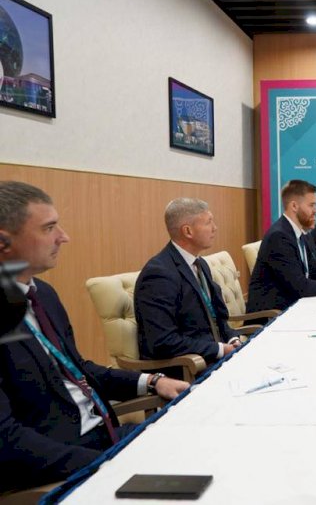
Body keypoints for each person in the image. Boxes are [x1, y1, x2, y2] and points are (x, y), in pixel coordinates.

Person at [0, 181, 188, 492]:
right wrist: (106, 463)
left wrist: (152, 381)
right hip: (59, 464)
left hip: (104, 436)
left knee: (198, 435)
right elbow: (6, 439)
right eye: (49, 228)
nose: (64, 237)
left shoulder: (42, 294)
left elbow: (78, 368)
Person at [135, 198, 243, 374]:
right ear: (188, 231)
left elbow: (218, 319)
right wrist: (220, 349)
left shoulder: (200, 264)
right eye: (208, 222)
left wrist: (232, 340)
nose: (215, 228)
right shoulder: (158, 274)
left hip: (214, 357)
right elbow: (163, 341)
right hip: (188, 368)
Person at [247, 180, 316, 312]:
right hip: (274, 314)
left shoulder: (300, 233)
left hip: (295, 304)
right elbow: (301, 287)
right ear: (294, 206)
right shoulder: (279, 236)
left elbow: (315, 270)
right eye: (312, 205)